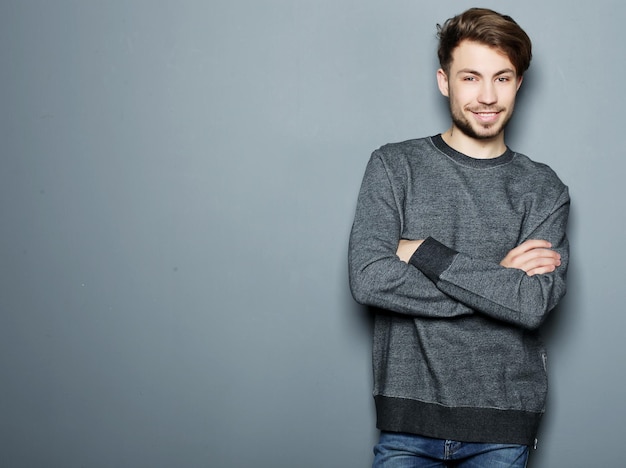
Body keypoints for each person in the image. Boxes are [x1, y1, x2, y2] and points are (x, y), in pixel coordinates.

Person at [348, 7, 569, 468]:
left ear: (519, 84)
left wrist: (423, 252)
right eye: (470, 78)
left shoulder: (544, 189)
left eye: (502, 78)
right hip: (407, 425)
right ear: (444, 80)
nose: (487, 96)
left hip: (504, 425)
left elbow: (530, 305)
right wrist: (498, 282)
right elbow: (369, 279)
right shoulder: (394, 167)